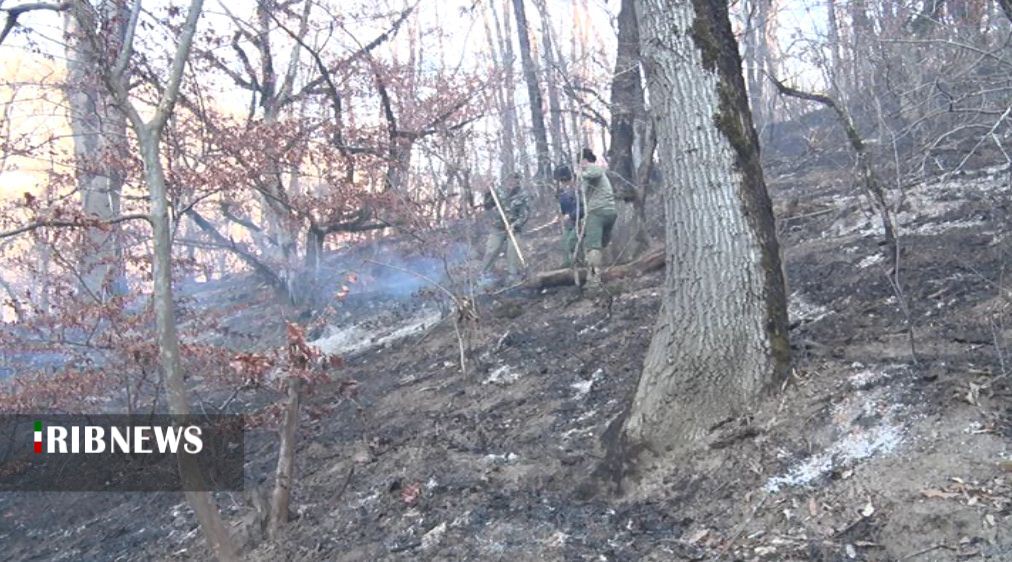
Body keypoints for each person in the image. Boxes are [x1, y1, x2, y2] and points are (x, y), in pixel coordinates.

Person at [577, 148, 617, 288]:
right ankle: (603, 273)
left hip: (598, 212)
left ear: (584, 160)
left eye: (580, 162)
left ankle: (594, 281)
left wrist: (582, 172)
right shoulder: (590, 174)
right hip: (609, 211)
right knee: (601, 244)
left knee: (593, 246)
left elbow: (596, 171)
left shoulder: (591, 169)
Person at [480, 172, 529, 279]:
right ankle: (484, 275)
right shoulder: (498, 192)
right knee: (491, 250)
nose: (511, 183)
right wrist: (488, 192)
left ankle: (513, 276)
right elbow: (487, 206)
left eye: (514, 180)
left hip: (514, 229)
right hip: (497, 227)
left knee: (513, 251)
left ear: (518, 181)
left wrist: (515, 225)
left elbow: (524, 214)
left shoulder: (523, 195)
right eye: (509, 180)